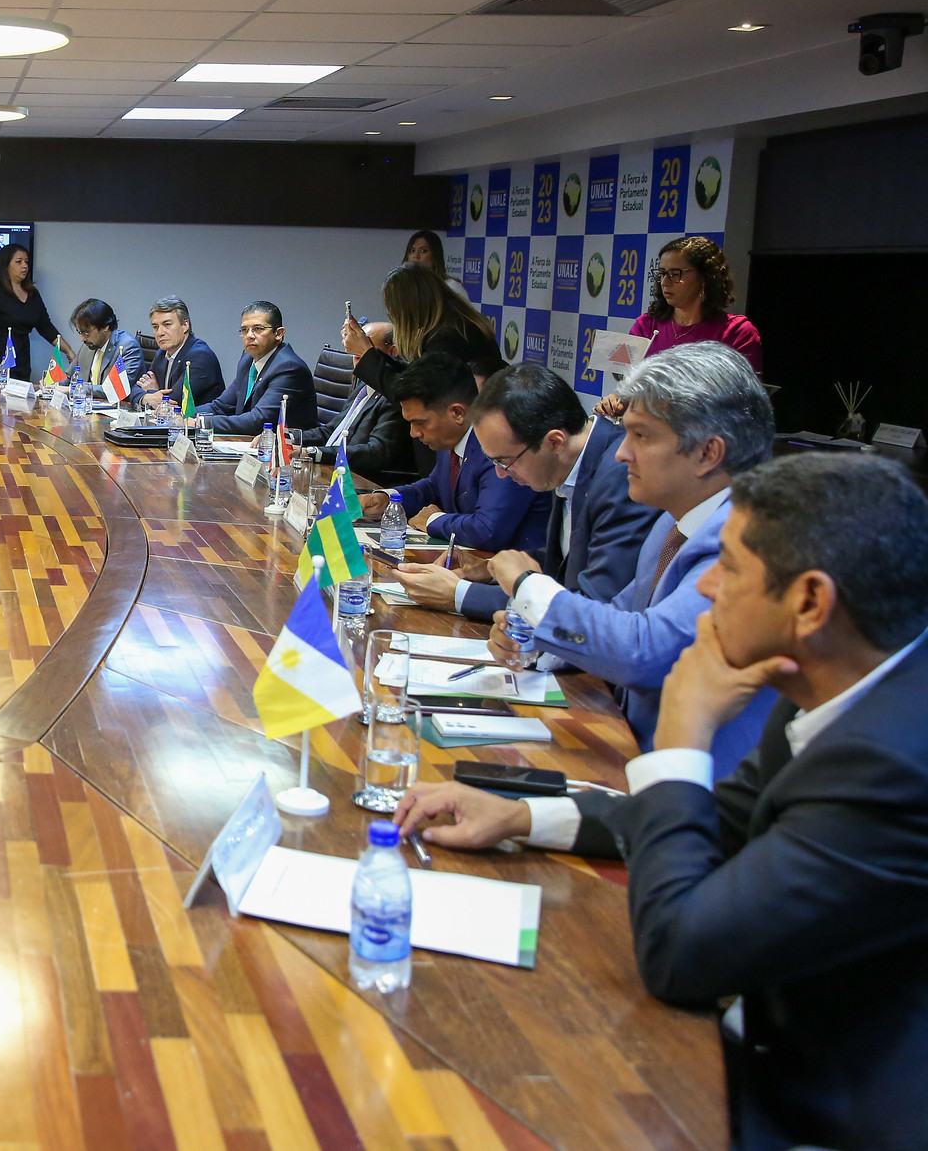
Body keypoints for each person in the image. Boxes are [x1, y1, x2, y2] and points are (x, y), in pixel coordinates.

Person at [394, 453, 928, 1151]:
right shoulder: (843, 686)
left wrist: (682, 732)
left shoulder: (893, 762)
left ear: (810, 603)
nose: (706, 584)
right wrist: (528, 815)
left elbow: (680, 951)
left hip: (819, 1111)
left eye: (730, 568)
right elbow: (725, 818)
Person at [489, 342, 775, 773]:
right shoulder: (672, 522)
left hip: (697, 789)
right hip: (627, 745)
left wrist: (528, 587)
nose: (622, 452)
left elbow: (646, 651)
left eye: (641, 436)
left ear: (708, 453)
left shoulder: (747, 535)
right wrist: (533, 642)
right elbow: (617, 613)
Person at [393, 361, 655, 622]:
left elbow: (592, 607)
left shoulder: (621, 476)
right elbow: (568, 560)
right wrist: (494, 570)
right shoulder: (565, 462)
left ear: (554, 441)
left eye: (505, 462)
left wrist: (460, 594)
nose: (500, 474)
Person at [358, 353, 549, 553]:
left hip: (516, 573)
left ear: (457, 413)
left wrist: (432, 520)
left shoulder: (500, 446)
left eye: (420, 423)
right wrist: (388, 500)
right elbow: (434, 487)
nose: (414, 433)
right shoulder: (451, 439)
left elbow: (487, 530)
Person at [341, 261, 502, 399]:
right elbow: (413, 375)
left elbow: (416, 398)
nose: (392, 316)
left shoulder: (450, 339)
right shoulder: (454, 327)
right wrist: (370, 354)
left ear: (409, 308)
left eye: (394, 311)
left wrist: (368, 354)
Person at [295, 322, 414, 481]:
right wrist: (288, 437)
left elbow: (376, 452)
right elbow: (331, 431)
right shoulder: (363, 386)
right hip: (329, 469)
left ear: (392, 352)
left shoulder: (394, 395)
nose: (356, 357)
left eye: (364, 347)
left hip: (359, 480)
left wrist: (314, 453)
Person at [631, 234, 762, 371]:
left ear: (705, 277)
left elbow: (745, 390)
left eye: (675, 274)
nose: (664, 282)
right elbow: (627, 383)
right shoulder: (646, 326)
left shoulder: (736, 333)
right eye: (662, 273)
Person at [193, 301, 319, 436]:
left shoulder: (289, 368)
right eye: (244, 330)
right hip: (251, 444)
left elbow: (258, 420)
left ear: (279, 333)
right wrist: (182, 416)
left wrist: (199, 422)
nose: (250, 335)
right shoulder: (247, 360)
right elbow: (221, 406)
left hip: (287, 451)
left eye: (258, 329)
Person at [0, 243, 75, 382]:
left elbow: (45, 326)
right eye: (18, 262)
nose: (24, 266)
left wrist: (69, 351)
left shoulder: (32, 294)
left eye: (26, 262)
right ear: (6, 265)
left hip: (23, 356)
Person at [136, 297, 225, 411]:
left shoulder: (200, 356)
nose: (160, 333)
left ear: (185, 325)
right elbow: (136, 389)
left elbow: (175, 401)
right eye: (155, 327)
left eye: (167, 324)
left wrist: (151, 392)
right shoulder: (162, 353)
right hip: (170, 424)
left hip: (197, 425)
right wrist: (149, 397)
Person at [69, 298, 143, 388]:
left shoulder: (127, 347)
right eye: (80, 333)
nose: (82, 339)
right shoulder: (87, 346)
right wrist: (53, 385)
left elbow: (117, 389)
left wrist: (73, 389)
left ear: (105, 326)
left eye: (86, 333)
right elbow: (68, 377)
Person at [403, 228, 468, 299]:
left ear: (435, 256)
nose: (416, 256)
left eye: (423, 251)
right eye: (412, 250)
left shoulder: (451, 287)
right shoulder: (403, 287)